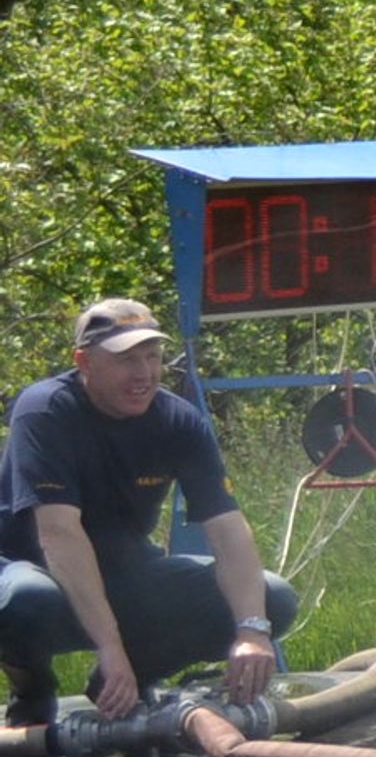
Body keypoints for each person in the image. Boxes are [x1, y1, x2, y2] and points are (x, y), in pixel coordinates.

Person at [0, 301, 297, 730]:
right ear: (84, 362)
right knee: (27, 602)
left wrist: (252, 631)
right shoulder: (46, 410)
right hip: (31, 567)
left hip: (124, 569)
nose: (144, 373)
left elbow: (228, 529)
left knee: (272, 598)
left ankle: (124, 683)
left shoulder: (178, 421)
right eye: (126, 360)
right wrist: (110, 645)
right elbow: (59, 535)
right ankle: (32, 690)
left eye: (152, 357)